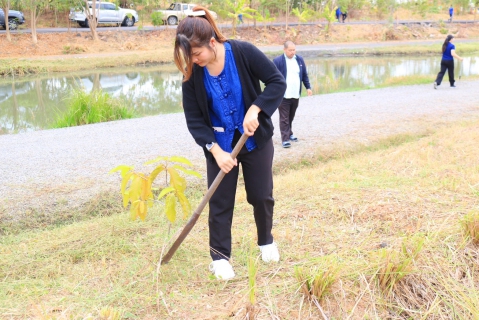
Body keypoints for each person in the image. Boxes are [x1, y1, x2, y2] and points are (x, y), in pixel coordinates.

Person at [173, 6, 286, 280]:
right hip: (219, 145)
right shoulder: (193, 75)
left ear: (212, 43)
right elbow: (195, 120)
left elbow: (276, 82)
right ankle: (220, 258)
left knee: (261, 195)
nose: (195, 60)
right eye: (190, 57)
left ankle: (266, 241)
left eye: (197, 54)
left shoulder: (243, 52)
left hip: (254, 140)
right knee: (220, 201)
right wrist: (215, 150)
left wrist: (256, 109)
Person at [273, 41, 313, 148]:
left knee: (291, 115)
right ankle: (285, 139)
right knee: (284, 117)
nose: (292, 52)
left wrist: (308, 87)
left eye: (294, 50)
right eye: (290, 50)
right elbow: (272, 77)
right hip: (283, 94)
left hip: (295, 93)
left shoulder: (299, 60)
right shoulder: (278, 61)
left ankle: (289, 133)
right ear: (285, 50)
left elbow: (304, 75)